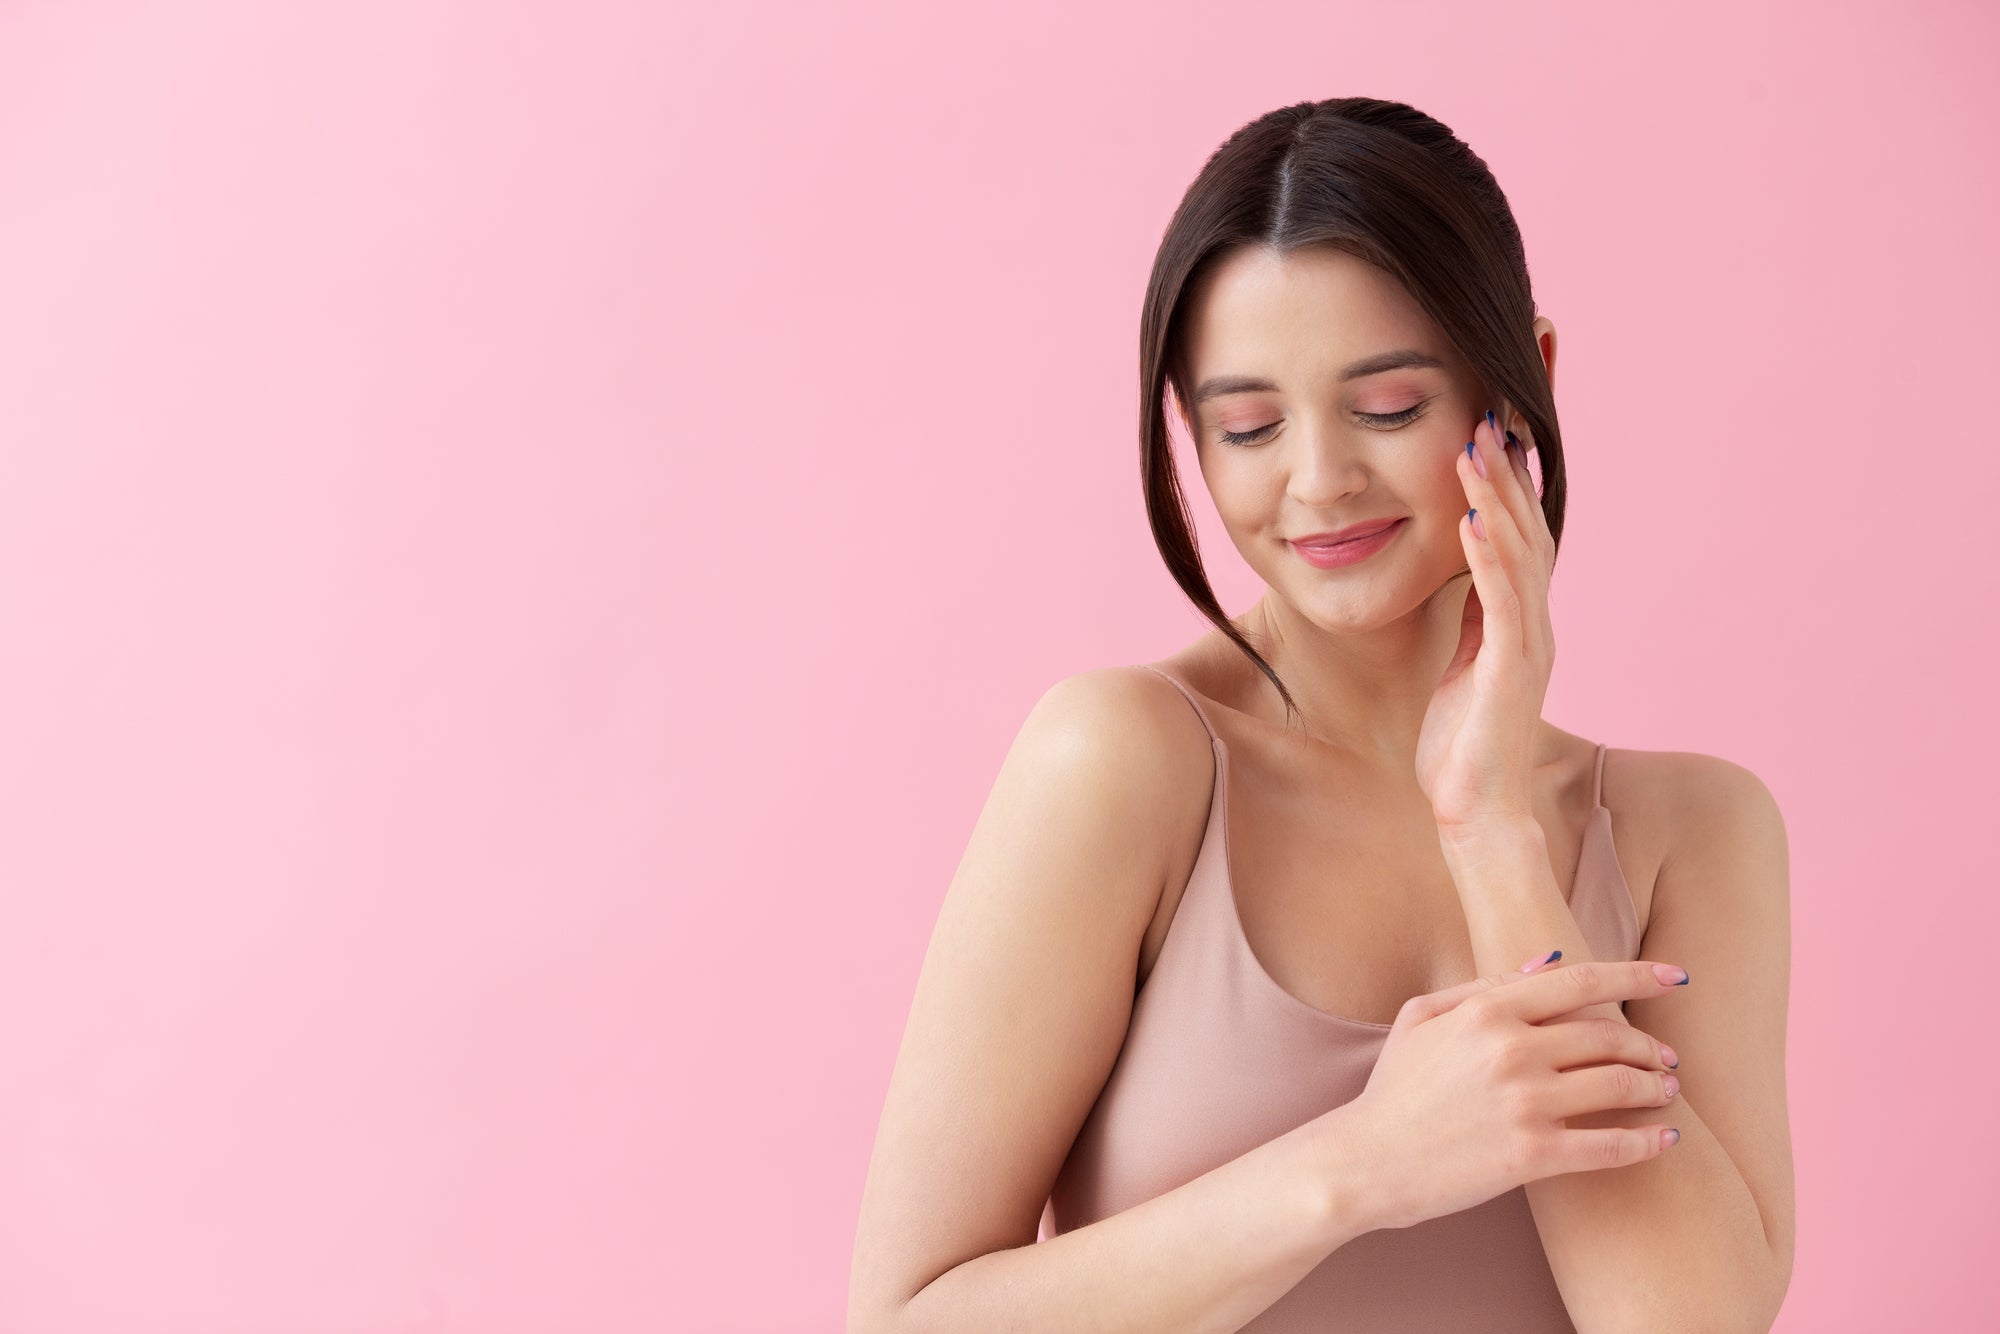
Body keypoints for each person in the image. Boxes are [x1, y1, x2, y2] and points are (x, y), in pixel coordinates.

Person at [847, 96, 1794, 1333]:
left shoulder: (1692, 828)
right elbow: (906, 1318)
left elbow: (1684, 1324)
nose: (1315, 481)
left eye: (1387, 406)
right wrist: (1358, 1166)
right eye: (1244, 426)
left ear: (1523, 380)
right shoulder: (1125, 761)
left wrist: (1491, 827)